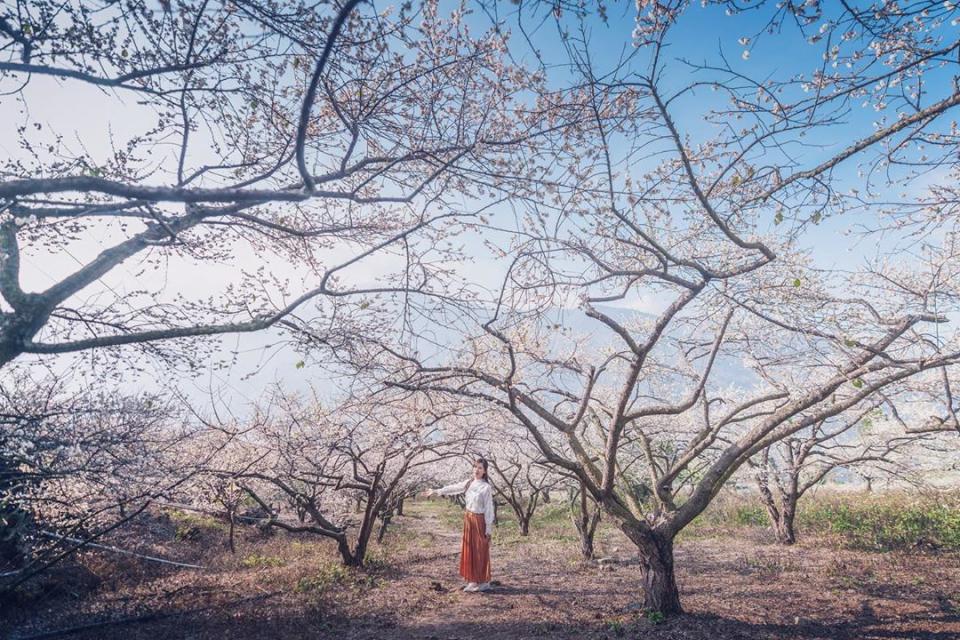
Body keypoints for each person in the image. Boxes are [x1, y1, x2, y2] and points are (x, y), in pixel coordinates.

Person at [424, 458, 495, 592]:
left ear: (485, 471)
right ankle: (473, 581)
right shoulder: (469, 483)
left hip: (479, 521)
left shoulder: (486, 487)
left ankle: (483, 581)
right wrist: (436, 491)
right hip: (468, 519)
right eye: (475, 467)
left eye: (480, 468)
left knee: (481, 550)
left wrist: (488, 528)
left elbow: (489, 508)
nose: (477, 470)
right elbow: (454, 488)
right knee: (470, 550)